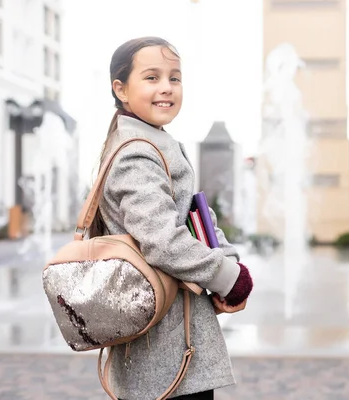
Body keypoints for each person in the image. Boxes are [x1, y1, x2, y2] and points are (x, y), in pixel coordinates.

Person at [91, 36, 253, 400]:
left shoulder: (155, 142)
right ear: (121, 89)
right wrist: (229, 278)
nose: (166, 88)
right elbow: (163, 240)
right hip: (162, 352)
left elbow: (195, 213)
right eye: (151, 77)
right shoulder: (137, 154)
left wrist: (229, 266)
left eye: (174, 78)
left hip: (171, 343)